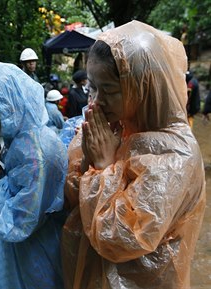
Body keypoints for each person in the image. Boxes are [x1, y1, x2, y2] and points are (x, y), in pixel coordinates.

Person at [62, 20, 206, 289]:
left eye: (110, 91)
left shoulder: (176, 154)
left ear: (143, 87)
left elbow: (121, 237)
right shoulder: (115, 125)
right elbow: (73, 199)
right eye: (93, 87)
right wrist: (87, 163)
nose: (95, 102)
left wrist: (103, 168)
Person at [0, 61, 68, 289]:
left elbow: (18, 224)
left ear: (4, 107)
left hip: (34, 256)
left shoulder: (36, 154)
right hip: (15, 253)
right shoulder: (12, 137)